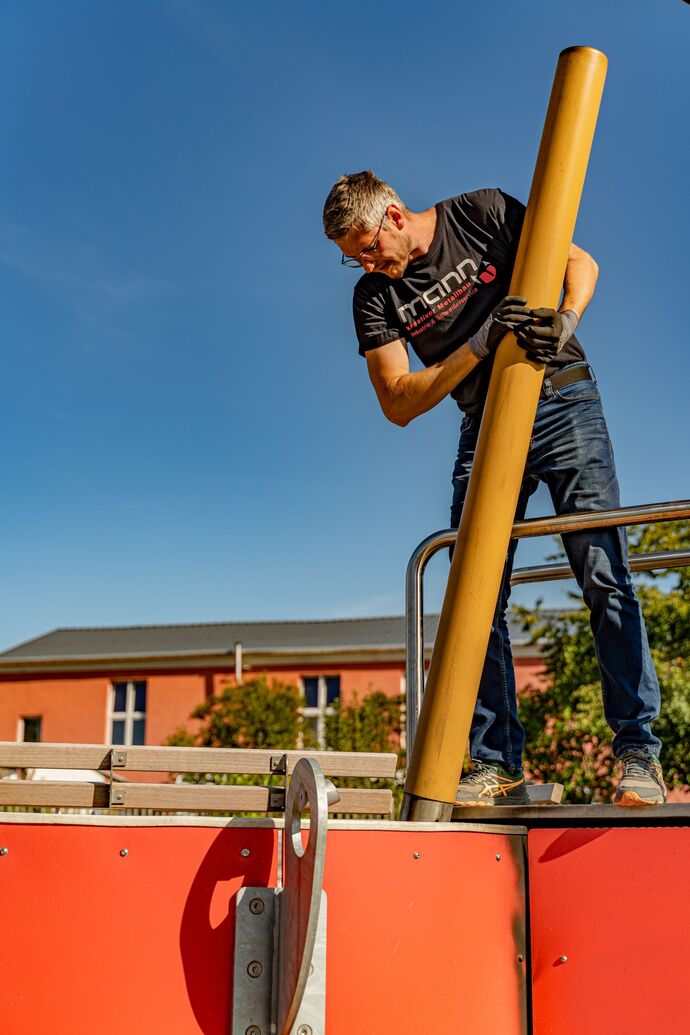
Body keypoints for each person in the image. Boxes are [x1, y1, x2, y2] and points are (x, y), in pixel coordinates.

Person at [322, 170, 665, 807]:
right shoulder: (374, 296)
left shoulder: (478, 213)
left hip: (563, 398)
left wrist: (565, 319)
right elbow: (397, 402)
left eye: (367, 246)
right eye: (353, 256)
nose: (365, 263)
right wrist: (477, 346)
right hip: (484, 421)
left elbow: (578, 261)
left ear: (394, 215)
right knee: (474, 594)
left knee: (603, 571)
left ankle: (638, 754)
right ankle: (493, 762)